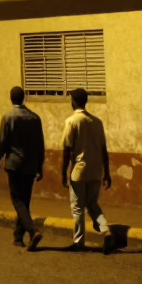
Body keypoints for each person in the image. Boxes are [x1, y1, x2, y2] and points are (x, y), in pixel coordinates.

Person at [60, 87, 113, 253]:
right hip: (96, 170)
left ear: (73, 102)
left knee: (77, 207)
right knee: (92, 204)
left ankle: (79, 242)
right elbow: (104, 150)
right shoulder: (97, 122)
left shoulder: (72, 122)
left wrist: (63, 172)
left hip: (79, 170)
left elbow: (67, 149)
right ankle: (105, 230)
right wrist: (107, 173)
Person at [0, 85, 45, 250]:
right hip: (30, 165)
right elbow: (40, 145)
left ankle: (32, 231)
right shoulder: (35, 118)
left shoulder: (8, 117)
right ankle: (17, 237)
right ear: (23, 98)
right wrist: (40, 166)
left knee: (17, 201)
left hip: (14, 164)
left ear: (11, 98)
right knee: (25, 201)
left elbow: (2, 143)